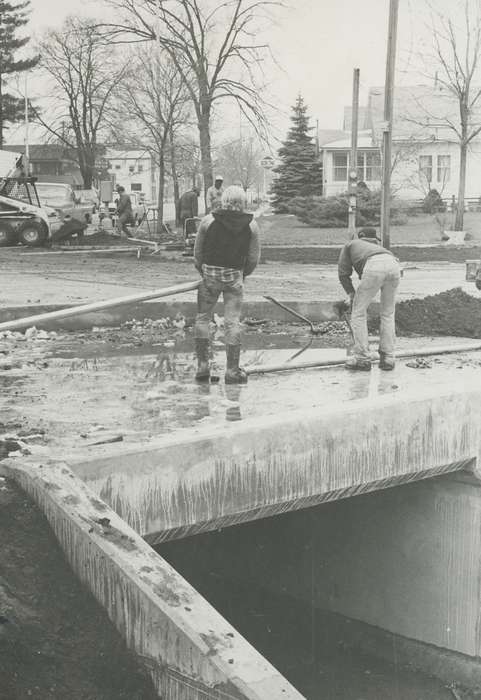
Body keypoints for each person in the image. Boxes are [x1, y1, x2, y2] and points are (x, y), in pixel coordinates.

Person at [193, 185, 260, 384]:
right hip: (234, 280)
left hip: (210, 279)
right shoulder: (251, 225)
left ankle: (203, 366)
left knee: (202, 319)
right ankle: (232, 371)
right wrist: (242, 274)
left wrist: (203, 272)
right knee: (232, 322)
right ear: (242, 202)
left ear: (224, 200)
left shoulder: (208, 221)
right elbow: (253, 257)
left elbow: (198, 253)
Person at [338, 227, 401, 371]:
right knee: (388, 313)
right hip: (394, 264)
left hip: (374, 266)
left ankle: (362, 359)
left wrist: (351, 294)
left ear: (360, 236)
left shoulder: (350, 244)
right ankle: (388, 358)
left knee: (358, 313)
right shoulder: (379, 248)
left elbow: (343, 274)